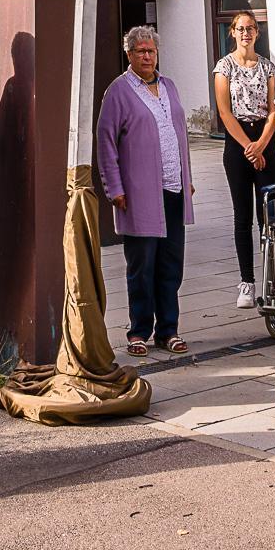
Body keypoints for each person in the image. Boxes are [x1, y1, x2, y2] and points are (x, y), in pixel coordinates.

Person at [97, 24, 195, 357]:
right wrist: (114, 187)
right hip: (138, 194)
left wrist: (187, 176)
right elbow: (106, 142)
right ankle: (139, 330)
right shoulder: (118, 91)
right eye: (140, 51)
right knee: (142, 265)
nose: (147, 56)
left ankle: (169, 330)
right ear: (129, 54)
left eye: (151, 50)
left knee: (171, 263)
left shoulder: (169, 86)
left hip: (173, 188)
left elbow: (178, 133)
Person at [212, 10, 275, 306]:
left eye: (251, 28)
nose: (246, 33)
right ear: (233, 32)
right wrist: (249, 148)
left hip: (264, 139)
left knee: (269, 217)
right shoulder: (223, 67)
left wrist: (262, 144)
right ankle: (247, 283)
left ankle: (272, 279)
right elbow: (225, 112)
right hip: (237, 144)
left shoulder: (268, 67)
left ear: (257, 33)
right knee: (243, 217)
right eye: (240, 28)